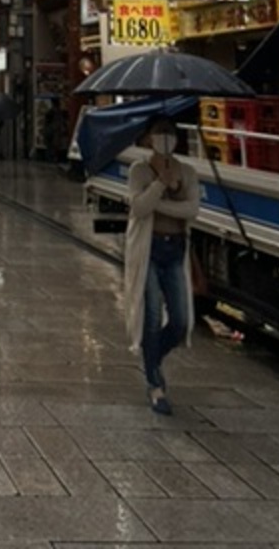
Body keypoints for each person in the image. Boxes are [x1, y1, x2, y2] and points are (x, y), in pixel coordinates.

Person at [125, 117, 200, 415]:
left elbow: (192, 210)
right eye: (159, 133)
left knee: (181, 321)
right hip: (149, 250)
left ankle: (152, 358)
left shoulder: (188, 172)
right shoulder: (139, 170)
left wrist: (157, 202)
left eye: (170, 132)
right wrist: (159, 184)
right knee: (153, 315)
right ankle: (155, 385)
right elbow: (138, 208)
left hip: (175, 250)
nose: (165, 138)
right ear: (148, 139)